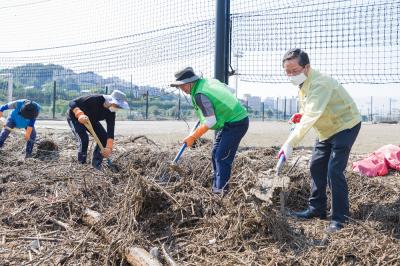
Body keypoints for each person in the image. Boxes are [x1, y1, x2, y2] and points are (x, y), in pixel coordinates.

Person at [278, 48, 362, 233]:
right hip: (326, 130)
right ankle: (317, 209)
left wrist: (289, 143)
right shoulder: (304, 84)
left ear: (307, 67)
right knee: (316, 165)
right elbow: (310, 110)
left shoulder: (320, 84)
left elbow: (312, 115)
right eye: (287, 71)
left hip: (345, 126)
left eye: (294, 71)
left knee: (334, 170)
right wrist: (300, 114)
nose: (290, 75)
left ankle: (340, 218)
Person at [170, 67, 249, 194]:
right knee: (215, 153)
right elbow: (230, 90)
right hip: (230, 122)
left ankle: (221, 193)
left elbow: (211, 121)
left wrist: (193, 136)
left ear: (190, 82)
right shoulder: (207, 83)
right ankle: (216, 187)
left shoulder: (199, 95)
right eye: (179, 86)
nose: (182, 89)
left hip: (237, 123)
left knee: (221, 157)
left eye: (182, 85)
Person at [67, 90, 129, 169]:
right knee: (84, 138)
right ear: (111, 100)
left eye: (119, 106)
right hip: (75, 117)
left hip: (91, 120)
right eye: (117, 105)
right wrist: (79, 114)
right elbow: (72, 102)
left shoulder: (111, 113)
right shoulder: (95, 99)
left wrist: (109, 148)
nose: (118, 108)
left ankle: (96, 164)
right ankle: (81, 163)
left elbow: (110, 130)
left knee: (103, 138)